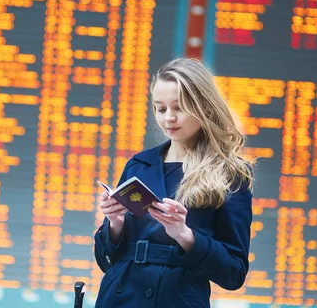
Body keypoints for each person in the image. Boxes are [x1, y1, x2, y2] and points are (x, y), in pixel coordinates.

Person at [93, 58, 254, 307]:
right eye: (160, 108)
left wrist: (185, 235)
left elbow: (234, 273)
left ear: (205, 108)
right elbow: (106, 259)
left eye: (179, 107)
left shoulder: (230, 173)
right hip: (118, 298)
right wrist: (115, 223)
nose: (169, 118)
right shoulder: (139, 165)